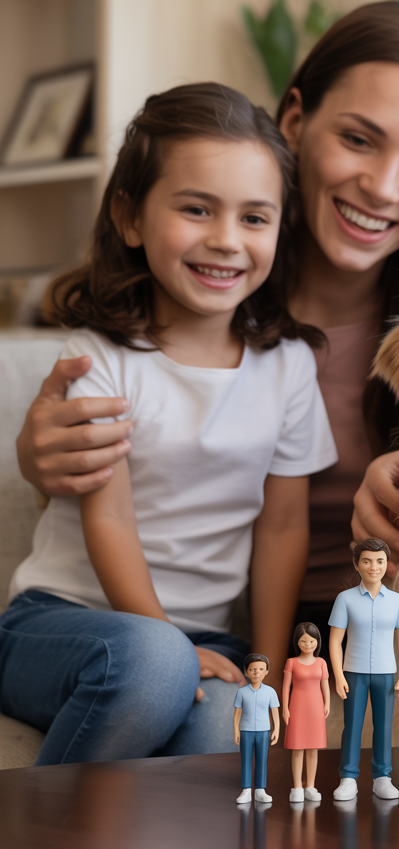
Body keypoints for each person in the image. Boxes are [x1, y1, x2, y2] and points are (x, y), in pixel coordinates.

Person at [14, 0, 399, 632]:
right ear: (294, 120)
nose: (381, 186)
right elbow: (122, 493)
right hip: (235, 624)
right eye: (357, 139)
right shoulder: (197, 295)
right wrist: (37, 460)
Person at [0, 84, 337, 763]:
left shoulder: (290, 366)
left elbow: (281, 529)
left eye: (255, 218)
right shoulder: (96, 358)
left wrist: (265, 668)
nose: (225, 240)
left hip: (208, 641)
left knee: (229, 734)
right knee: (155, 665)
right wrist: (166, 642)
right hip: (62, 623)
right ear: (130, 217)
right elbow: (112, 520)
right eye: (196, 209)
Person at [329, 538, 399, 801]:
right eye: (367, 561)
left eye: (379, 561)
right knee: (351, 725)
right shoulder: (345, 599)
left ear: (387, 564)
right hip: (354, 671)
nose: (373, 567)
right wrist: (339, 674)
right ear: (356, 564)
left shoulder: (397, 600)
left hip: (386, 673)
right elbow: (334, 640)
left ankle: (382, 777)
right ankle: (348, 777)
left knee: (384, 725)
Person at [282, 621, 330, 802]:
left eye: (311, 641)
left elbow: (325, 684)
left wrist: (327, 704)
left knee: (313, 748)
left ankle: (310, 785)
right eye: (303, 642)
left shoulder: (321, 662)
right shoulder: (292, 662)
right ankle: (297, 787)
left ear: (317, 641)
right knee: (297, 748)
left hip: (316, 707)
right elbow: (286, 688)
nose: (308, 645)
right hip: (297, 707)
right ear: (297, 643)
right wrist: (285, 708)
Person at [234, 653, 282, 804]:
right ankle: (246, 790)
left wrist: (276, 729)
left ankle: (260, 790)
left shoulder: (270, 692)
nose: (256, 672)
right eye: (253, 669)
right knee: (246, 760)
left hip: (263, 731)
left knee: (262, 759)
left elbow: (275, 712)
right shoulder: (242, 692)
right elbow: (237, 713)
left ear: (266, 671)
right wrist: (236, 730)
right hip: (246, 730)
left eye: (261, 669)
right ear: (247, 671)